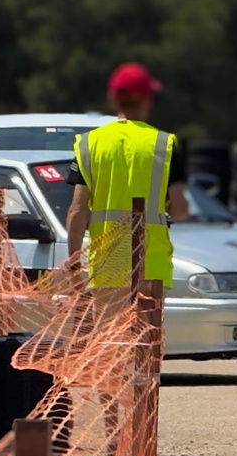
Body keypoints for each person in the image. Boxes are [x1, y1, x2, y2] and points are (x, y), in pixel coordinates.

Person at [62, 62, 187, 306]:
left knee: (111, 342)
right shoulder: (164, 144)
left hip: (106, 269)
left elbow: (77, 212)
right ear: (147, 99)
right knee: (145, 341)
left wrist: (74, 269)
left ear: (113, 98)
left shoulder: (90, 144)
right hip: (152, 267)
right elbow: (181, 210)